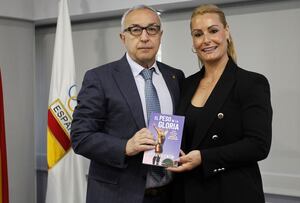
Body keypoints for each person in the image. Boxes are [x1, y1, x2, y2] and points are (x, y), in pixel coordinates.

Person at [71, 5, 185, 203]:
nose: (144, 37)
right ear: (123, 37)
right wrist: (126, 146)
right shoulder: (99, 78)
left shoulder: (174, 76)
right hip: (118, 196)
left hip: (169, 193)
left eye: (152, 29)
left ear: (160, 34)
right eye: (135, 29)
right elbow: (80, 137)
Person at [168, 4, 272, 203]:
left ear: (227, 32)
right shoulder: (186, 84)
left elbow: (259, 145)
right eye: (198, 34)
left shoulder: (251, 83)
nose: (206, 40)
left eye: (213, 31)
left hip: (231, 191)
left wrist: (204, 158)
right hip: (186, 191)